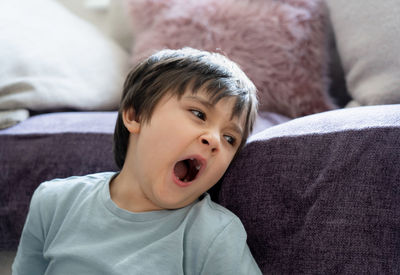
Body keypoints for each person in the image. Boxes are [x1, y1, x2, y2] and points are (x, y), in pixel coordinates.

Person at [12, 47, 261, 274]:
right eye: (199, 114)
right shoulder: (54, 202)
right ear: (135, 115)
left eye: (230, 138)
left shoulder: (215, 236)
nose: (215, 139)